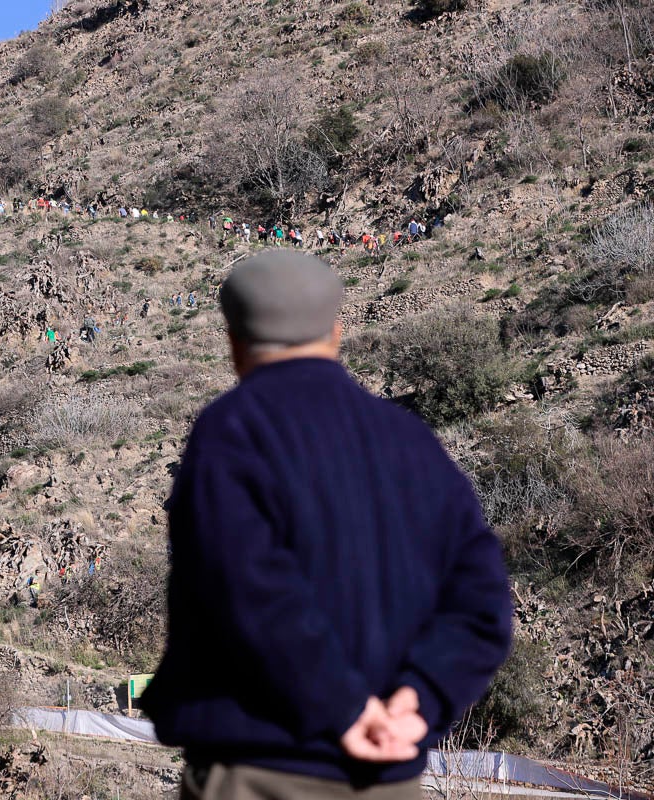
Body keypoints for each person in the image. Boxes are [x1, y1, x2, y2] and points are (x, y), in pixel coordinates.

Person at [142, 251, 512, 800]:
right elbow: (482, 599)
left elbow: (250, 591)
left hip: (263, 774)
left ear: (233, 341)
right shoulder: (411, 442)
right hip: (392, 777)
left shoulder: (233, 430)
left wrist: (341, 706)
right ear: (337, 331)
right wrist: (421, 696)